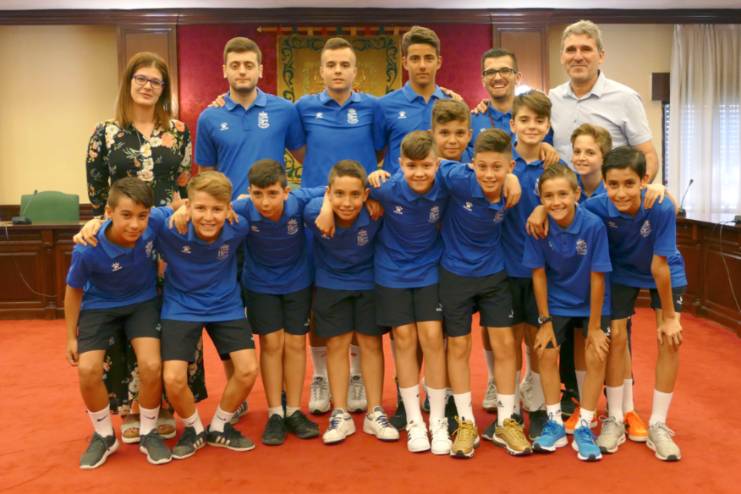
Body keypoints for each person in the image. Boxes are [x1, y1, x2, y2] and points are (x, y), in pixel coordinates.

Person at [84, 51, 194, 443]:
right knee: (126, 315)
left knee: (167, 316)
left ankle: (165, 403)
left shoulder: (178, 131)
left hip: (165, 235)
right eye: (140, 79)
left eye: (155, 81)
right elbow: (97, 192)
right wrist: (104, 226)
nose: (147, 86)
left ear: (165, 89)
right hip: (124, 237)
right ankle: (130, 407)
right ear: (129, 82)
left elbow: (183, 187)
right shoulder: (106, 132)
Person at [295, 37, 387, 415]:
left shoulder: (372, 107)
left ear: (355, 71)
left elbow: (379, 152)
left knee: (361, 299)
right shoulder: (303, 108)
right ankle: (320, 377)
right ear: (320, 70)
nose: (337, 71)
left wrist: (361, 195)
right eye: (330, 65)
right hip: (319, 214)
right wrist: (325, 199)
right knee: (321, 298)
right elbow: (300, 152)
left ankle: (356, 375)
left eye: (344, 65)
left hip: (360, 211)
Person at [582, 146, 686, 461]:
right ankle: (615, 417)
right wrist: (539, 212)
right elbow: (567, 214)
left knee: (669, 339)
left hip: (664, 270)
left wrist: (670, 317)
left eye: (629, 183)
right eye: (613, 184)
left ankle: (658, 424)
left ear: (644, 180)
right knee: (616, 337)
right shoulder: (595, 207)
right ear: (604, 183)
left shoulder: (660, 206)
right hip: (621, 273)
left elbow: (659, 266)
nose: (621, 192)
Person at [436, 128, 531, 459]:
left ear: (510, 167)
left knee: (505, 344)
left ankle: (506, 421)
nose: (490, 174)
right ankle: (465, 422)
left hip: (494, 274)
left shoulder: (513, 187)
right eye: (483, 167)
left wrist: (514, 180)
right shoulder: (457, 176)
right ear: (472, 164)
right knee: (458, 346)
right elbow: (433, 162)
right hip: (455, 274)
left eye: (498, 168)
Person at [65, 178, 171, 469]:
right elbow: (73, 291)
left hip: (142, 303)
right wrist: (70, 337)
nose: (135, 224)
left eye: (142, 215)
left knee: (151, 365)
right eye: (126, 215)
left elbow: (178, 207)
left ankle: (148, 432)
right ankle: (104, 435)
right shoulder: (87, 247)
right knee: (87, 369)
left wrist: (184, 208)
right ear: (109, 213)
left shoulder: (154, 222)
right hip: (99, 307)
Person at [158, 171, 258, 459]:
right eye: (200, 208)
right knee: (173, 378)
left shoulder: (238, 225)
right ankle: (194, 429)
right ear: (189, 205)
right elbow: (126, 214)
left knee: (247, 370)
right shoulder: (168, 225)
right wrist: (94, 224)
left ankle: (219, 425)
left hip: (225, 305)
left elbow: (278, 199)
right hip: (181, 306)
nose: (209, 217)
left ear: (228, 209)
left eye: (217, 209)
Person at [362, 131, 450, 455]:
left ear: (437, 164)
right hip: (392, 271)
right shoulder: (385, 187)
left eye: (426, 165)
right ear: (399, 164)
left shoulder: (446, 185)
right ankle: (414, 421)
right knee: (403, 337)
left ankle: (438, 420)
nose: (419, 173)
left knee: (432, 336)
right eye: (411, 166)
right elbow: (344, 189)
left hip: (429, 268)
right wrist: (369, 185)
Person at [304, 161, 398, 445]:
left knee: (371, 344)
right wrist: (324, 207)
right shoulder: (313, 211)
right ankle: (340, 413)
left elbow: (399, 186)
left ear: (366, 195)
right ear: (329, 193)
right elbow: (305, 198)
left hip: (368, 282)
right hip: (331, 284)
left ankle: (375, 411)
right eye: (339, 194)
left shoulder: (375, 210)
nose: (347, 202)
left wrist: (379, 179)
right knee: (337, 344)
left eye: (355, 195)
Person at [231, 160, 324, 445]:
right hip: (260, 285)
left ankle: (293, 410)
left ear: (286, 191)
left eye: (272, 193)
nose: (265, 202)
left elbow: (335, 188)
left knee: (295, 343)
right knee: (271, 343)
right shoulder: (242, 208)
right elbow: (205, 205)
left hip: (297, 282)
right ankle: (274, 412)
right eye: (257, 194)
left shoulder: (300, 200)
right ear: (249, 192)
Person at [523, 164, 612, 462]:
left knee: (596, 353)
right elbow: (538, 274)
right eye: (548, 196)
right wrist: (545, 321)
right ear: (540, 199)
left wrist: (595, 327)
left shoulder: (593, 226)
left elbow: (598, 277)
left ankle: (585, 424)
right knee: (546, 351)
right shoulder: (537, 226)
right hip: (557, 301)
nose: (556, 201)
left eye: (563, 194)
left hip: (592, 301)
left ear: (576, 194)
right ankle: (554, 423)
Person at [549, 20, 659, 181]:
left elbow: (648, 154)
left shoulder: (626, 98)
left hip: (611, 195)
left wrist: (641, 188)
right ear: (562, 57)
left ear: (601, 56)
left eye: (586, 49)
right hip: (564, 195)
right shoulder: (552, 98)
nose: (578, 57)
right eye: (571, 50)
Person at [195, 37, 305, 198]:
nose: (242, 71)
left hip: (274, 209)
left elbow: (308, 159)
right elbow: (206, 175)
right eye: (235, 65)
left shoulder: (285, 110)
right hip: (230, 210)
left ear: (260, 70)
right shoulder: (209, 117)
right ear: (225, 71)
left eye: (249, 65)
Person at [378, 26, 454, 174]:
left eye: (429, 58)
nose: (422, 66)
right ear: (405, 63)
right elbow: (375, 154)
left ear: (439, 62)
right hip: (397, 188)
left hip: (441, 187)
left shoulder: (453, 104)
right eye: (415, 59)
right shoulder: (384, 105)